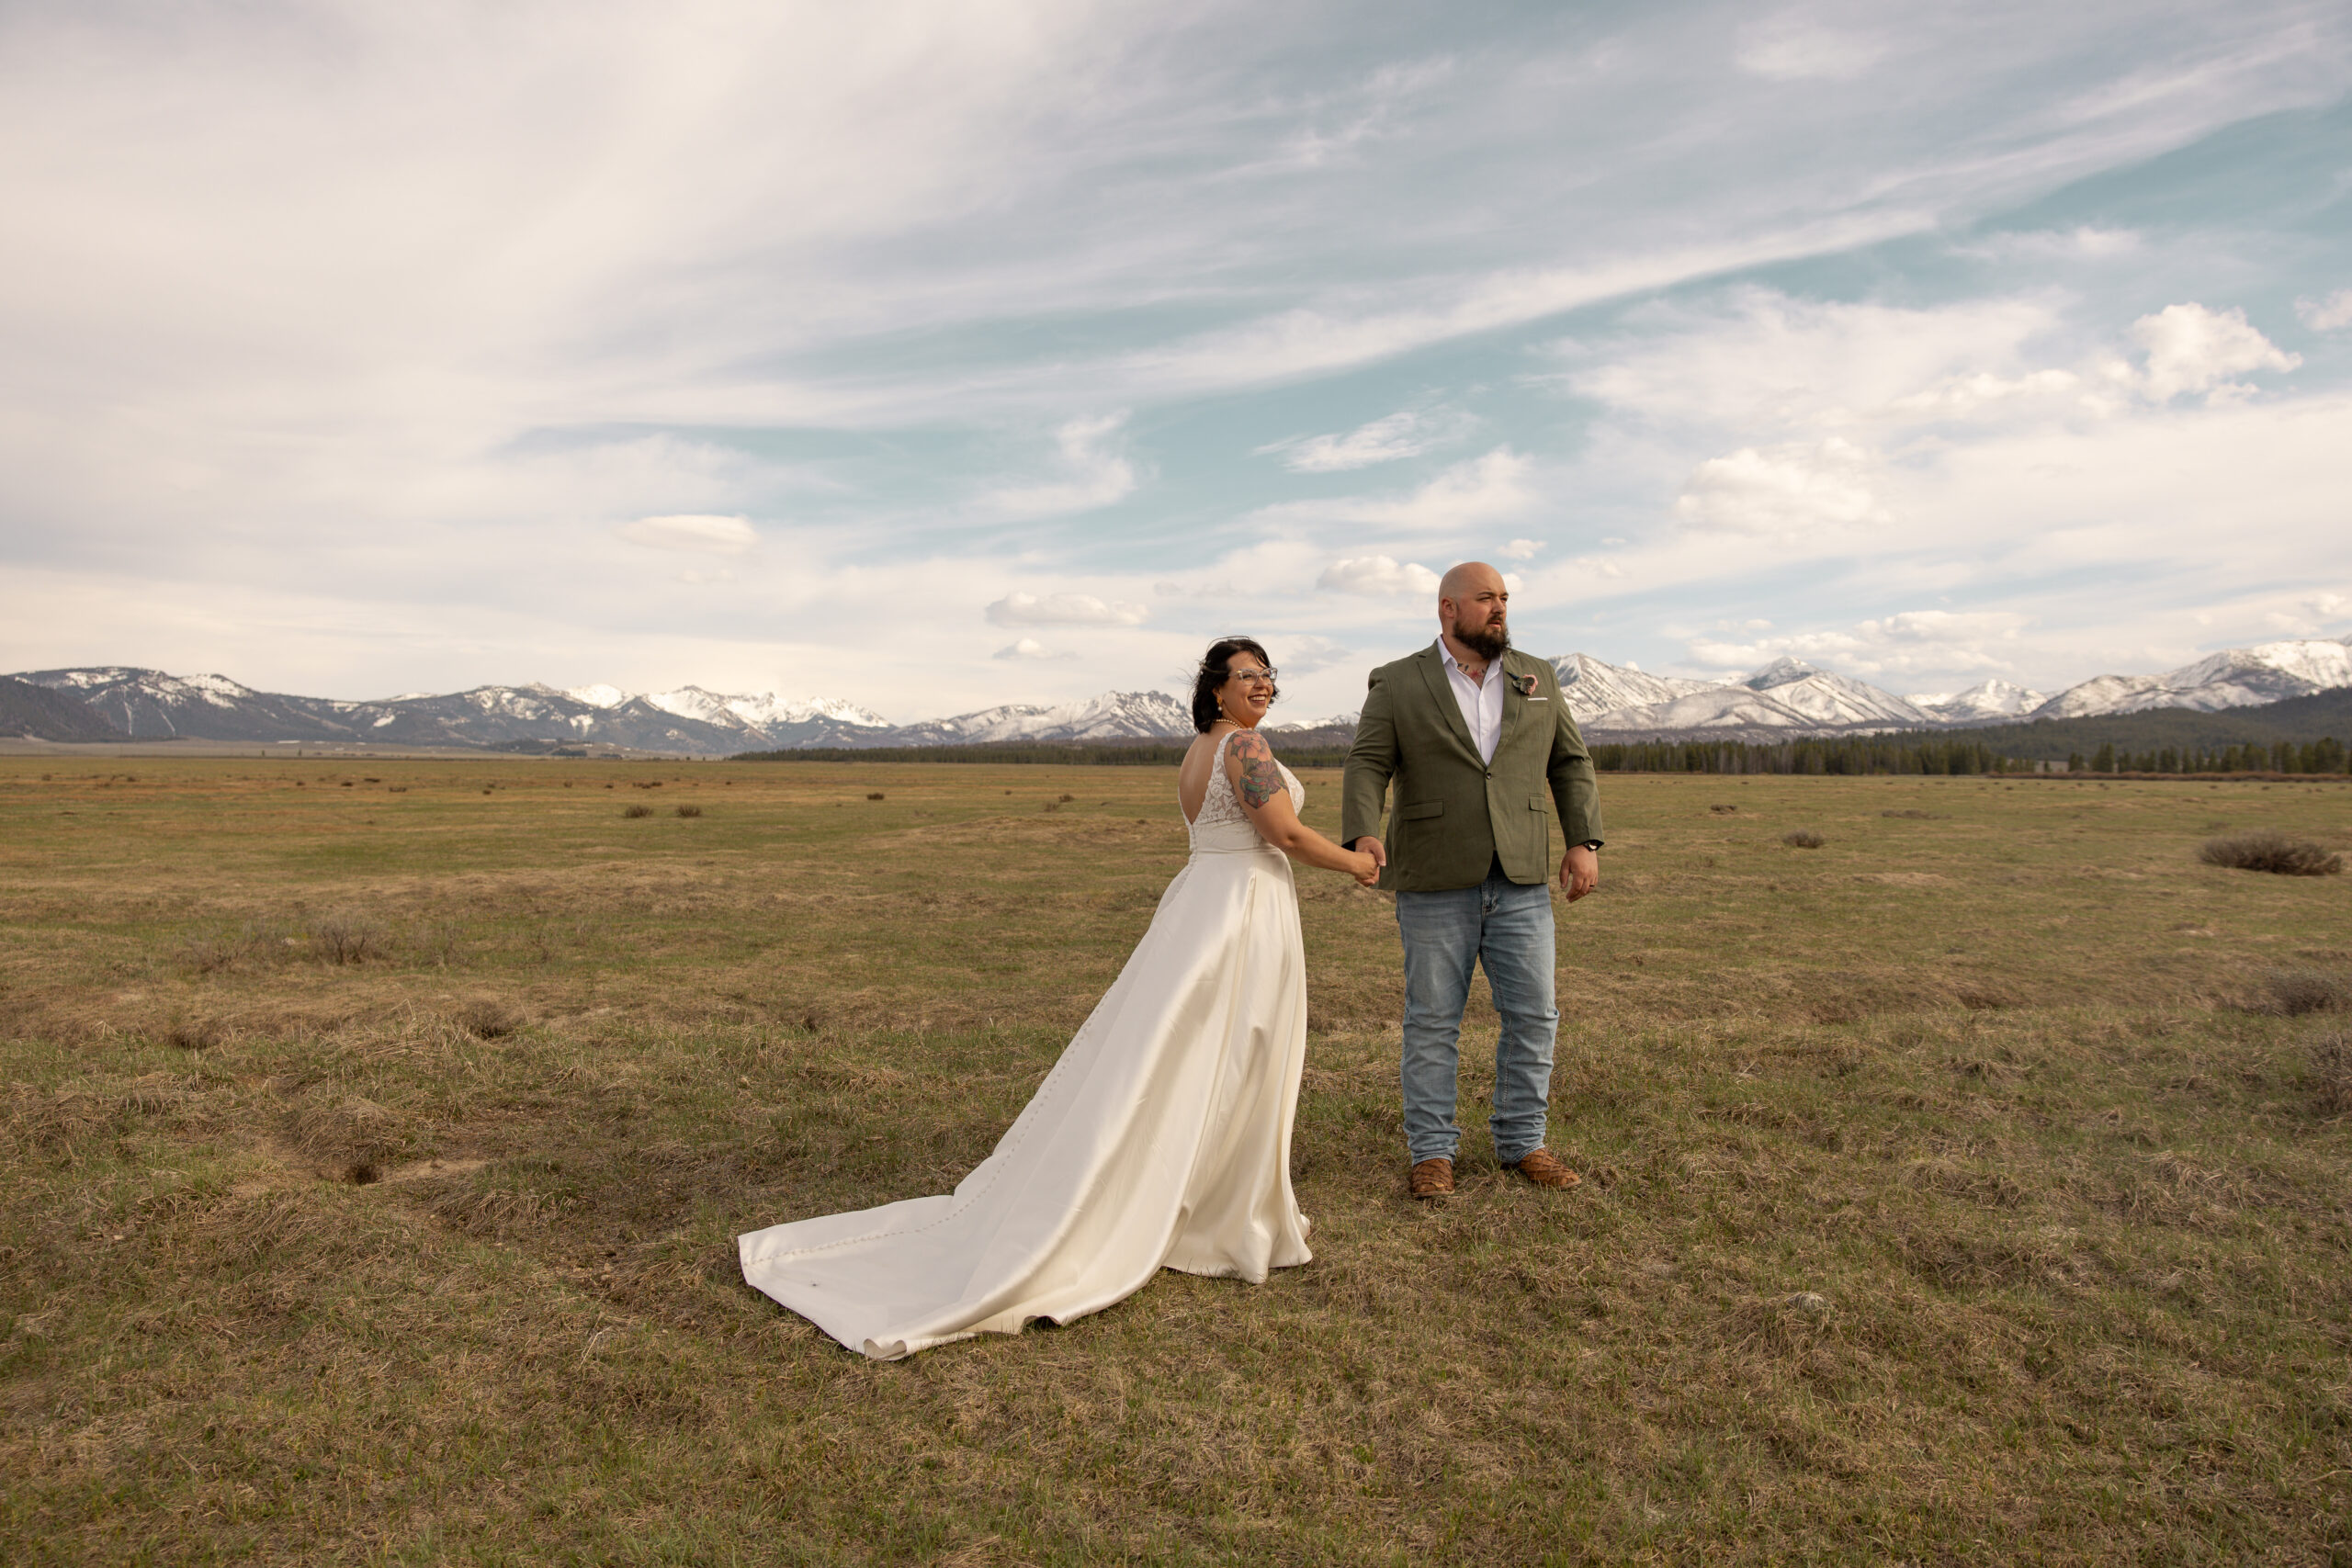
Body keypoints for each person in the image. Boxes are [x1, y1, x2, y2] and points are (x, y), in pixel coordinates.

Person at [739, 637, 1377, 1359]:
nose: (1261, 686)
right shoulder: (1245, 750)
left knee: (1184, 1055)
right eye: (1246, 676)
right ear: (1216, 689)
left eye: (1267, 675)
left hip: (1202, 903)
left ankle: (1202, 1197)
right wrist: (1358, 861)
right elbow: (1285, 832)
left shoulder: (1198, 749)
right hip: (1242, 909)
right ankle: (1220, 1216)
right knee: (1241, 1050)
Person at [1340, 562, 1604, 1200]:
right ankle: (1432, 1153)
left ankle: (1523, 1142)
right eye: (1486, 598)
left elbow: (1569, 760)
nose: (1499, 608)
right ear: (1447, 609)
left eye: (1505, 598)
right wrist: (1362, 832)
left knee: (1535, 1015)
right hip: (1434, 876)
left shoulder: (1535, 677)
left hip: (1520, 875)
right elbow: (1369, 761)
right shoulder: (1400, 681)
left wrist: (1582, 839)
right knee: (1432, 1020)